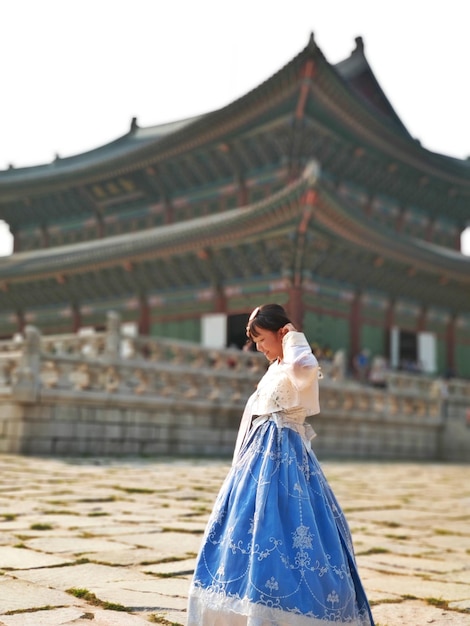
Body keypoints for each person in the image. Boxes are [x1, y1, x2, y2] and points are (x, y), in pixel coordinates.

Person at [187, 304, 375, 625]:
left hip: (285, 453)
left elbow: (304, 368)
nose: (259, 347)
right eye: (256, 341)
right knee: (246, 524)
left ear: (280, 332)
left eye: (262, 338)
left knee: (285, 525)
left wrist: (293, 338)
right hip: (258, 454)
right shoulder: (275, 366)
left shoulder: (295, 359)